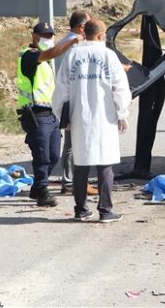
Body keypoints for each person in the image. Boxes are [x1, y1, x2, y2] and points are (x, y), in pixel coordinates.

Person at [52, 19, 132, 223]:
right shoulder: (108, 56)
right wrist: (123, 113)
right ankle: (105, 210)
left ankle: (80, 209)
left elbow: (61, 88)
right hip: (104, 117)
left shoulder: (73, 55)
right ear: (100, 35)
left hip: (79, 117)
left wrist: (62, 115)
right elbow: (120, 88)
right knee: (105, 164)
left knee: (81, 163)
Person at [17, 21, 78, 207]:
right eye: (44, 36)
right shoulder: (29, 56)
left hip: (50, 115)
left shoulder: (45, 61)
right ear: (34, 36)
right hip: (36, 115)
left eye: (51, 36)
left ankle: (37, 187)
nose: (48, 39)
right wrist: (72, 42)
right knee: (42, 156)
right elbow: (51, 53)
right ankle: (42, 191)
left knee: (53, 156)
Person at [116, 15, 165, 181]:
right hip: (152, 88)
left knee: (147, 126)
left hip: (153, 89)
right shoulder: (154, 70)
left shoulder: (154, 71)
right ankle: (141, 166)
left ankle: (142, 166)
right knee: (146, 127)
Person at [58, 10, 98, 196]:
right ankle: (71, 181)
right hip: (73, 98)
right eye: (89, 25)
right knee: (74, 143)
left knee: (71, 142)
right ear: (82, 27)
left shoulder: (65, 41)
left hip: (67, 98)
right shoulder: (75, 45)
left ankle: (72, 180)